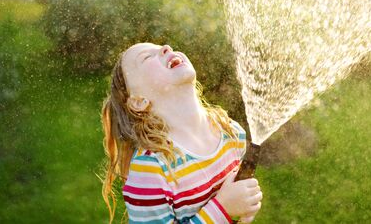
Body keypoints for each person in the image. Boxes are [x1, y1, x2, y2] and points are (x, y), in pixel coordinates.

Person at [101, 43, 262, 223]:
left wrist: (244, 203)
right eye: (146, 57)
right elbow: (226, 210)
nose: (166, 48)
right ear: (138, 102)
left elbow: (236, 207)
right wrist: (222, 208)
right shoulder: (151, 168)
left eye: (162, 46)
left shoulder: (231, 133)